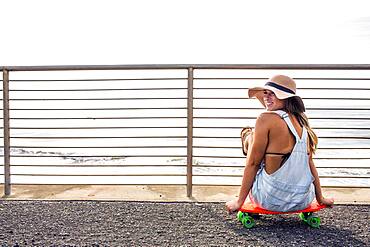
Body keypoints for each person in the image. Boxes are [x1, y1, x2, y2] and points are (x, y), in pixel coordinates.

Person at [226, 75, 334, 213]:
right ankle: (251, 138)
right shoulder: (302, 122)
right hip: (302, 199)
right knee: (274, 146)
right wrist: (320, 198)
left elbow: (253, 164)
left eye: (274, 94)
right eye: (266, 93)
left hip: (270, 199)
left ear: (286, 98)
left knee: (251, 135)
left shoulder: (264, 119)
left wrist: (239, 201)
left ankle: (247, 137)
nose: (266, 97)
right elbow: (310, 164)